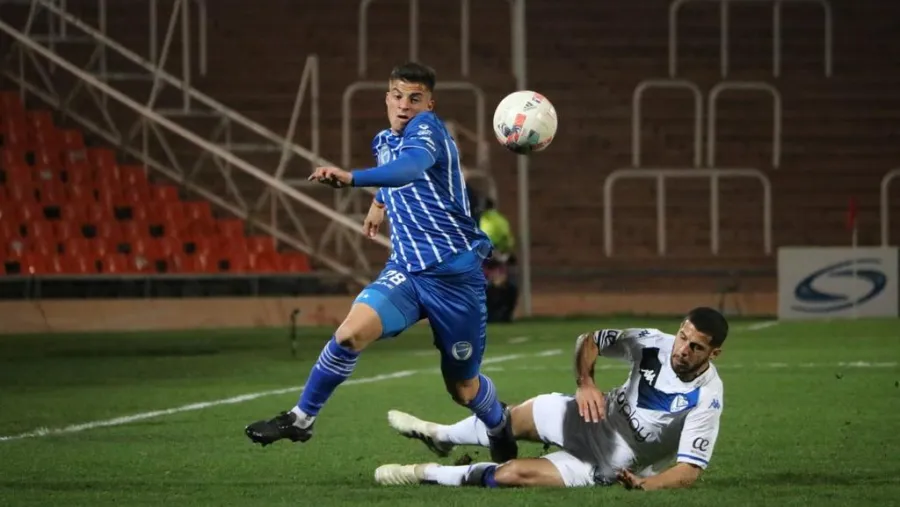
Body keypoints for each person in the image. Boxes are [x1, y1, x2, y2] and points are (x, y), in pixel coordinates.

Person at [244, 62, 518, 463]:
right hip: (406, 271)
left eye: (415, 98)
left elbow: (412, 166)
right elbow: (398, 173)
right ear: (387, 97)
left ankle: (497, 425)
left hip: (454, 279)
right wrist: (378, 202)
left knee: (463, 389)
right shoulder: (385, 140)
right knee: (348, 335)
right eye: (397, 96)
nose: (404, 106)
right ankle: (302, 418)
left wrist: (355, 180)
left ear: (429, 103)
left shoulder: (429, 130)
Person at [374, 307, 728, 491]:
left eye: (695, 346)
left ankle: (422, 474)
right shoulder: (653, 341)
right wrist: (586, 381)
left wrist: (646, 485)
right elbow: (590, 340)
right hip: (590, 415)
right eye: (683, 337)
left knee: (512, 474)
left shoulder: (707, 398)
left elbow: (689, 470)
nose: (682, 349)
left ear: (714, 354)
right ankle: (442, 436)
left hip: (609, 461)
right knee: (507, 421)